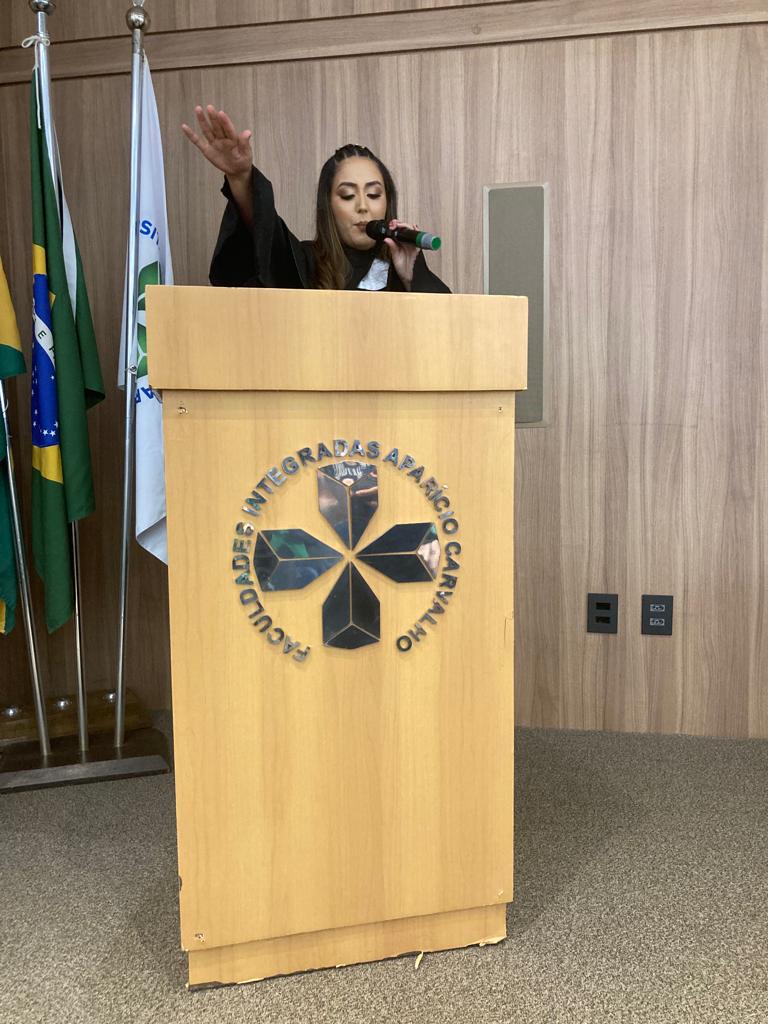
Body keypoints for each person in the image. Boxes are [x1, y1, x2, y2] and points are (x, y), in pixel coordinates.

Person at [181, 105, 450, 293]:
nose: (363, 206)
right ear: (328, 206)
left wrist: (413, 274)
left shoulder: (402, 272)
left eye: (373, 194)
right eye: (347, 195)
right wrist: (241, 177)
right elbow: (267, 242)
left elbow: (447, 335)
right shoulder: (306, 263)